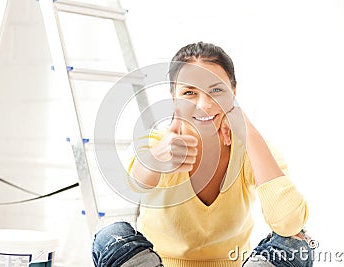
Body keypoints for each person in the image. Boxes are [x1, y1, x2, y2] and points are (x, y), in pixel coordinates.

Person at [92, 42, 316, 266]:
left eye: (217, 90)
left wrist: (246, 130)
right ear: (173, 97)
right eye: (189, 92)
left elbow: (289, 223)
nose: (204, 104)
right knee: (110, 234)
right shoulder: (156, 143)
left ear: (233, 92)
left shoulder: (252, 150)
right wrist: (158, 158)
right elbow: (134, 182)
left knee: (297, 242)